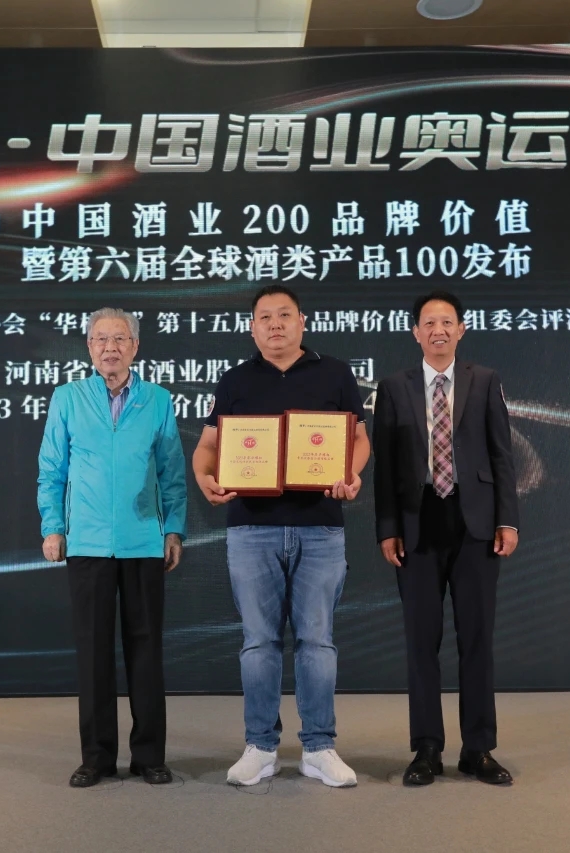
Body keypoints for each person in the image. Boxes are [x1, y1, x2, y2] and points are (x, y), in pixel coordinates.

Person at [192, 284, 370, 788]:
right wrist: (205, 476)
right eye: (265, 317)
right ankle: (260, 746)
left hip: (320, 527)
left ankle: (319, 747)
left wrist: (351, 474)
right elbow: (208, 447)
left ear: (302, 322)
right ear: (253, 328)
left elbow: (358, 440)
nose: (275, 324)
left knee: (317, 641)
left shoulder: (335, 373)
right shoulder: (235, 380)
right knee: (258, 642)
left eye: (284, 315)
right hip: (251, 527)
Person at [373, 290, 520, 787]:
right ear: (415, 332)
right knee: (422, 642)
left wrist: (507, 520)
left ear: (461, 329)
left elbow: (502, 456)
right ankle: (427, 749)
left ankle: (478, 749)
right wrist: (388, 528)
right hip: (417, 526)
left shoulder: (486, 381)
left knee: (477, 639)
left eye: (447, 322)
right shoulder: (394, 387)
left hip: (475, 524)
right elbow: (385, 468)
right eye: (429, 323)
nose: (438, 330)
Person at [37, 307, 187, 788]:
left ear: (135, 346)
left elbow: (172, 473)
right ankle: (97, 757)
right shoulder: (67, 398)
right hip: (87, 542)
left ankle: (149, 756)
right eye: (101, 339)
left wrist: (173, 529)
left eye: (120, 339)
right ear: (88, 347)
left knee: (146, 651)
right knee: (94, 653)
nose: (110, 348)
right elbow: (51, 471)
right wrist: (53, 526)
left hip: (143, 542)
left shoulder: (158, 400)